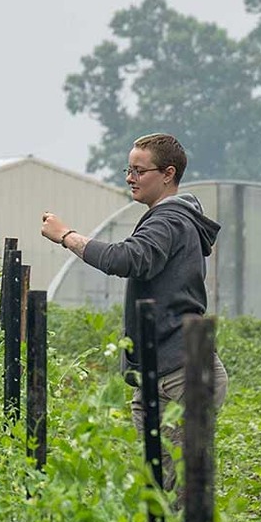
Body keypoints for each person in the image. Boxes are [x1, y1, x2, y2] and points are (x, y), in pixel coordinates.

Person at [39, 133, 226, 432]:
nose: (130, 178)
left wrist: (67, 236)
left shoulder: (170, 220)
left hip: (182, 374)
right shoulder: (170, 218)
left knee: (180, 476)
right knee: (160, 475)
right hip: (168, 369)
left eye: (139, 170)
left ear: (168, 174)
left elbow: (128, 259)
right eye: (128, 170)